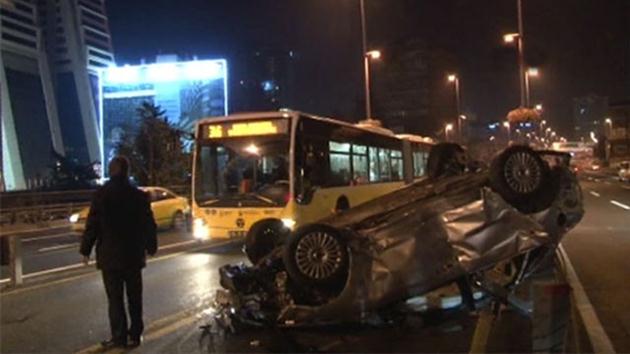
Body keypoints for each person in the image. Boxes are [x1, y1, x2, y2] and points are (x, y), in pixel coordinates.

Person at [80, 156, 157, 349]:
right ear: (127, 171)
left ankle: (119, 336)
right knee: (134, 297)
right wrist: (151, 246)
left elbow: (93, 225)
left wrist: (85, 250)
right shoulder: (138, 196)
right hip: (132, 255)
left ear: (111, 171)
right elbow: (148, 224)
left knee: (115, 300)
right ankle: (135, 334)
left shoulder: (101, 195)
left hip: (109, 256)